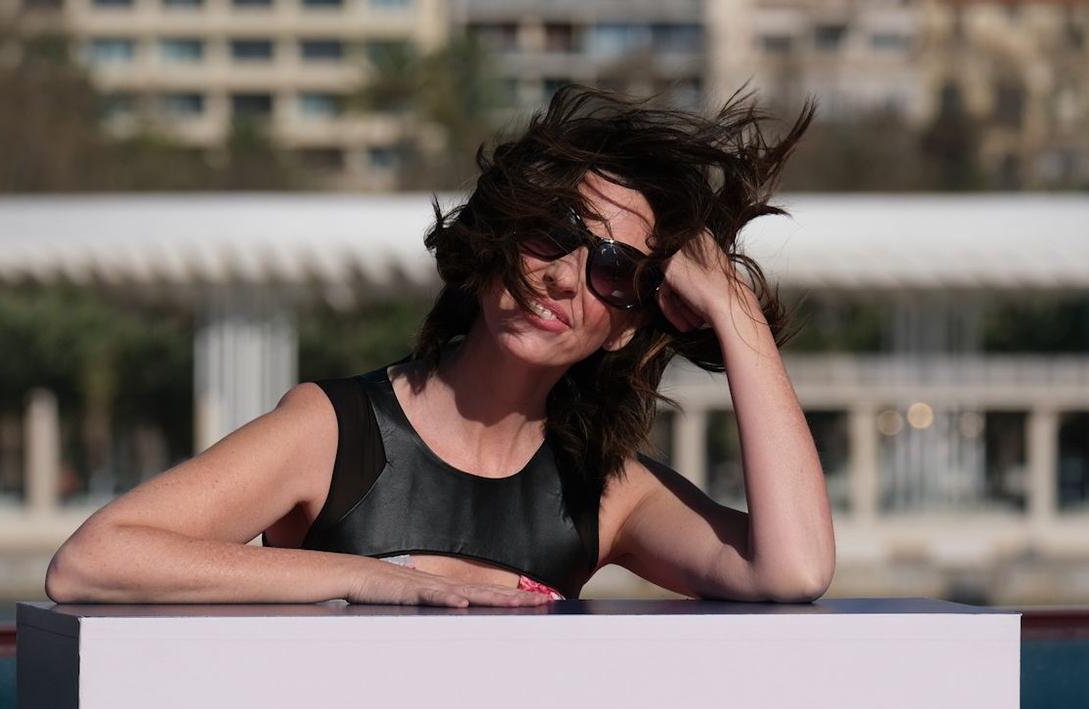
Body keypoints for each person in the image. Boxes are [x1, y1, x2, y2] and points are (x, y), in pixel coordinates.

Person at [44, 87, 833, 608]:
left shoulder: (605, 489)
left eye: (614, 268)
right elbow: (92, 559)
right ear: (497, 237)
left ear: (629, 319)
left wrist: (736, 315)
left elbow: (792, 570)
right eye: (551, 234)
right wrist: (378, 582)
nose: (564, 278)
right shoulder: (336, 432)